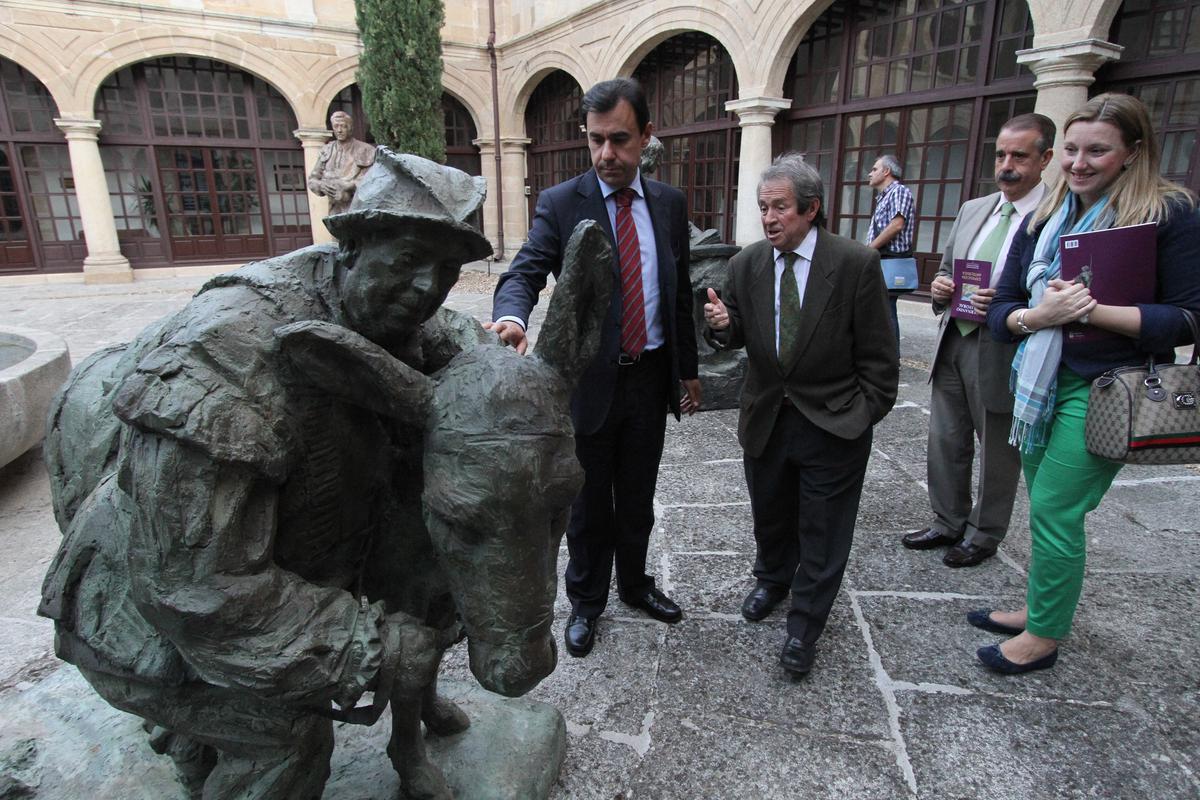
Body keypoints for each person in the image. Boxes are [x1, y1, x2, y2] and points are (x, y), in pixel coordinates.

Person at [39, 150, 495, 798]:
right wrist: (374, 647)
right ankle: (201, 735)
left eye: (447, 269)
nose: (427, 287)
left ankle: (200, 746)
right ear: (355, 242)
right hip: (144, 613)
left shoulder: (382, 309)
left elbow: (451, 338)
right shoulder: (228, 356)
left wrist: (501, 379)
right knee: (290, 742)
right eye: (409, 260)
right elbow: (194, 587)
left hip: (280, 579)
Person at [979, 93, 1200, 673]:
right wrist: (1038, 318)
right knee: (1044, 503)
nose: (1078, 162)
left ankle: (1044, 635)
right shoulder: (1043, 217)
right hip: (1038, 381)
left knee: (1056, 506)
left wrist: (1090, 312)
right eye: (1071, 149)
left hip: (1110, 387)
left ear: (1132, 152)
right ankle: (1039, 607)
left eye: (1096, 150)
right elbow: (1003, 309)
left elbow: (1186, 317)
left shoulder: (1167, 214)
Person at [488, 78, 702, 658]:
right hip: (589, 385)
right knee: (586, 504)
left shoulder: (669, 203)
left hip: (651, 377)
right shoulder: (562, 203)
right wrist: (511, 315)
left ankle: (634, 584)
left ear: (647, 137)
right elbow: (526, 270)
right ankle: (586, 603)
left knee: (638, 496)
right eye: (596, 140)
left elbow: (677, 290)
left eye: (620, 140)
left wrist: (688, 369)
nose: (607, 154)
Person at [703, 153, 898, 677]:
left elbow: (881, 358)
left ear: (811, 209)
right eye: (764, 207)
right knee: (770, 513)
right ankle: (771, 579)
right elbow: (740, 330)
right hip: (767, 415)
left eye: (781, 208)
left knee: (823, 529)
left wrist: (862, 414)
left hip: (834, 422)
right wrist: (723, 324)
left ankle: (806, 624)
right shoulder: (747, 263)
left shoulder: (855, 263)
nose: (769, 218)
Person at [902, 114, 1056, 567]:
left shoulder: (1054, 217)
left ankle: (984, 532)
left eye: (1019, 156)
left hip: (1007, 347)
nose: (1007, 165)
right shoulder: (975, 208)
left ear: (1045, 159)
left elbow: (1056, 287)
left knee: (998, 449)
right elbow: (948, 268)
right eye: (1001, 155)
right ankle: (947, 520)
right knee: (945, 438)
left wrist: (1012, 306)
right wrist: (939, 288)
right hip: (955, 337)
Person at [867, 154, 916, 353]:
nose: (870, 173)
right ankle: (883, 354)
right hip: (883, 260)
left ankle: (890, 358)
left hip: (891, 260)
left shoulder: (899, 191)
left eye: (874, 169)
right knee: (882, 309)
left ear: (886, 171)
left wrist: (869, 250)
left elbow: (896, 225)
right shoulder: (885, 196)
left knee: (887, 310)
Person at [307, 110, 376, 215]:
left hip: (359, 207)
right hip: (335, 209)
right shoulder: (327, 150)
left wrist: (351, 185)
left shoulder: (366, 150)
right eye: (336, 126)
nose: (339, 130)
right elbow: (313, 179)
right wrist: (321, 186)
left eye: (343, 126)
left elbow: (375, 179)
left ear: (350, 128)